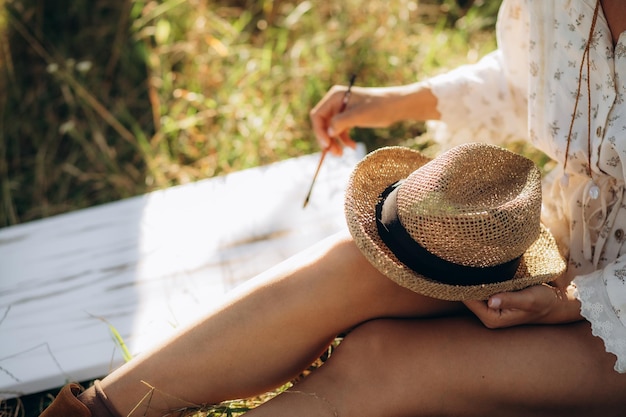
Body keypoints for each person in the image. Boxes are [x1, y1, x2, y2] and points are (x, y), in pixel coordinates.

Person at [39, 0, 626, 416]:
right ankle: (91, 414)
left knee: (384, 364)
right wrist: (390, 101)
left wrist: (569, 306)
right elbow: (531, 71)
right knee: (351, 264)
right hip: (560, 244)